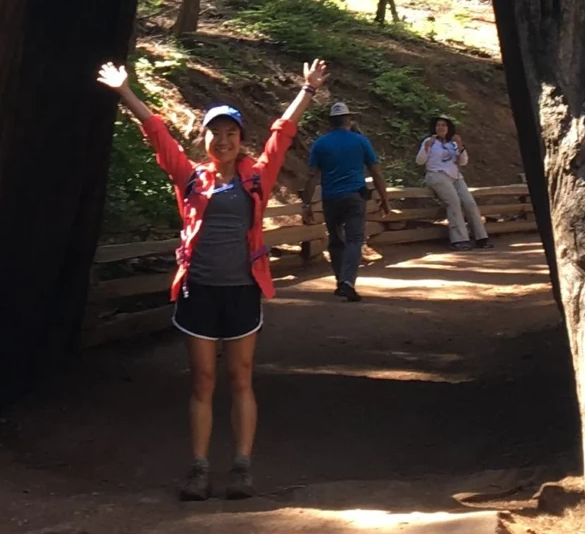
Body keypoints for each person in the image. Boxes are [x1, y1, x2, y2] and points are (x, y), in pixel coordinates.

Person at [98, 56, 328, 500]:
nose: (222, 141)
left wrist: (308, 90)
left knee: (241, 378)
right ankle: (199, 467)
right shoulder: (190, 178)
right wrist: (125, 91)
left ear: (241, 140)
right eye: (215, 133)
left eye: (231, 134)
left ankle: (242, 465)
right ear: (204, 138)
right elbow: (157, 133)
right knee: (203, 380)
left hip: (242, 290)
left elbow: (282, 133)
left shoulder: (258, 177)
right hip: (198, 290)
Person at [306, 100, 390, 301]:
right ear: (349, 120)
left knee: (336, 241)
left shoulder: (320, 144)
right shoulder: (361, 141)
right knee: (354, 239)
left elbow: (311, 176)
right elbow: (376, 173)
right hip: (354, 197)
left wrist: (306, 204)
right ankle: (347, 282)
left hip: (330, 199)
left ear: (331, 122)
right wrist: (385, 199)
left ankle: (340, 281)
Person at [418, 115, 487, 245]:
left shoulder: (453, 143)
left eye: (444, 125)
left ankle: (481, 237)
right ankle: (459, 239)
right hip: (436, 175)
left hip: (456, 176)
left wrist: (460, 146)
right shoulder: (429, 141)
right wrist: (426, 148)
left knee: (469, 203)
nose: (441, 127)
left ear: (449, 128)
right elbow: (419, 161)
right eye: (438, 125)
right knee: (454, 202)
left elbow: (464, 162)